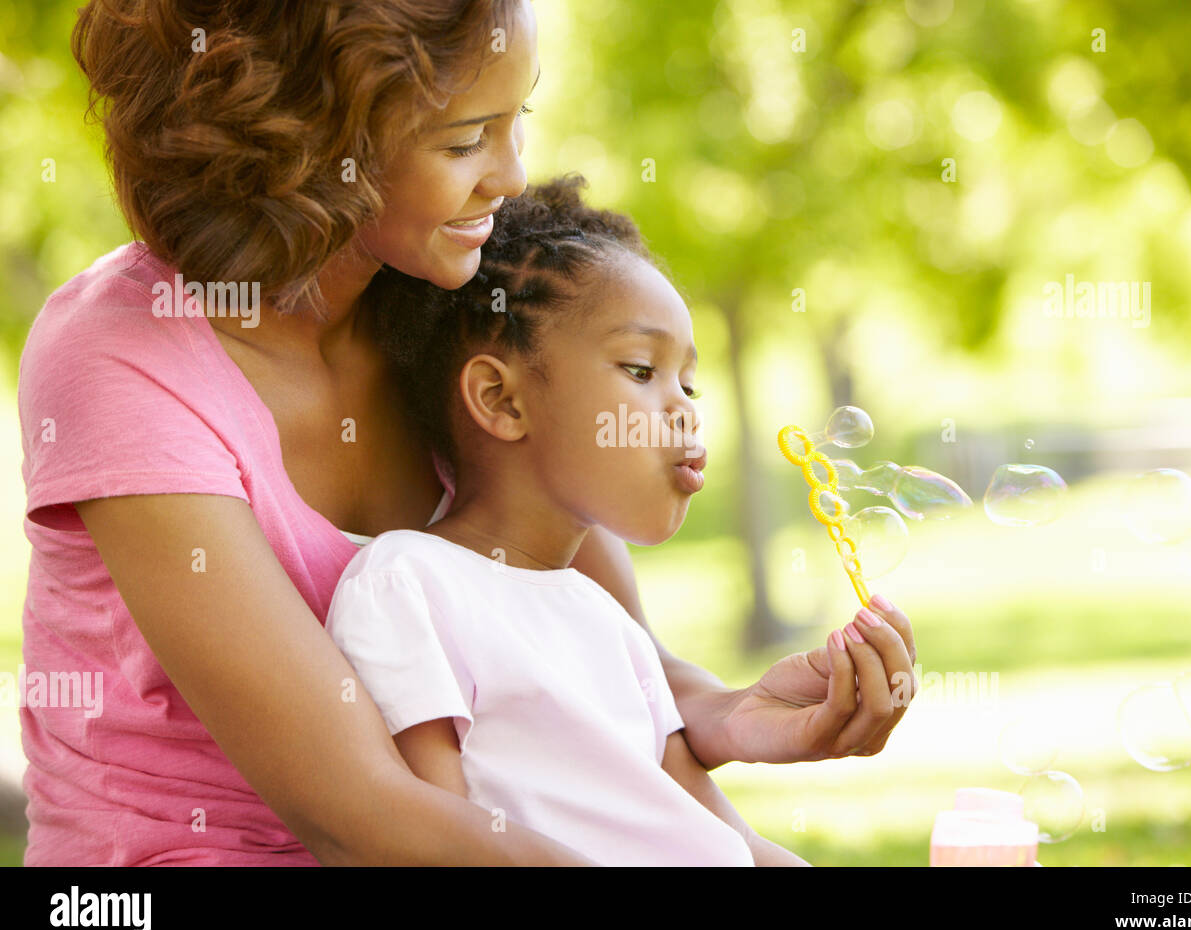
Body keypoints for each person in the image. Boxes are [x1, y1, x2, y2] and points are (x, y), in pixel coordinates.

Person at [17, 0, 916, 866]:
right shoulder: (123, 355)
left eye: (516, 117)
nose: (513, 174)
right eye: (463, 140)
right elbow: (364, 821)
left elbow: (588, 654)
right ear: (305, 141)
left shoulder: (466, 315)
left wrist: (729, 714)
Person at [329, 175, 830, 865]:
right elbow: (434, 840)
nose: (684, 408)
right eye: (639, 368)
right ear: (501, 400)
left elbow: (729, 843)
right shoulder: (409, 587)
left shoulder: (606, 621)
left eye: (690, 382)